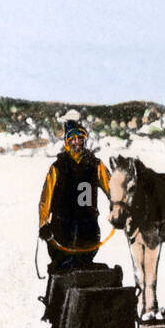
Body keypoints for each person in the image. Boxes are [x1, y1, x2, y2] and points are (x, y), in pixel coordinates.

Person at [38, 114, 111, 273]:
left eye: (80, 138)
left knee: (84, 266)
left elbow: (112, 189)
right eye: (72, 138)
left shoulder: (96, 165)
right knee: (61, 267)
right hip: (62, 227)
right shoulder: (57, 167)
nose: (76, 141)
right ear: (66, 141)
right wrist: (43, 223)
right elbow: (46, 198)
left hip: (88, 227)